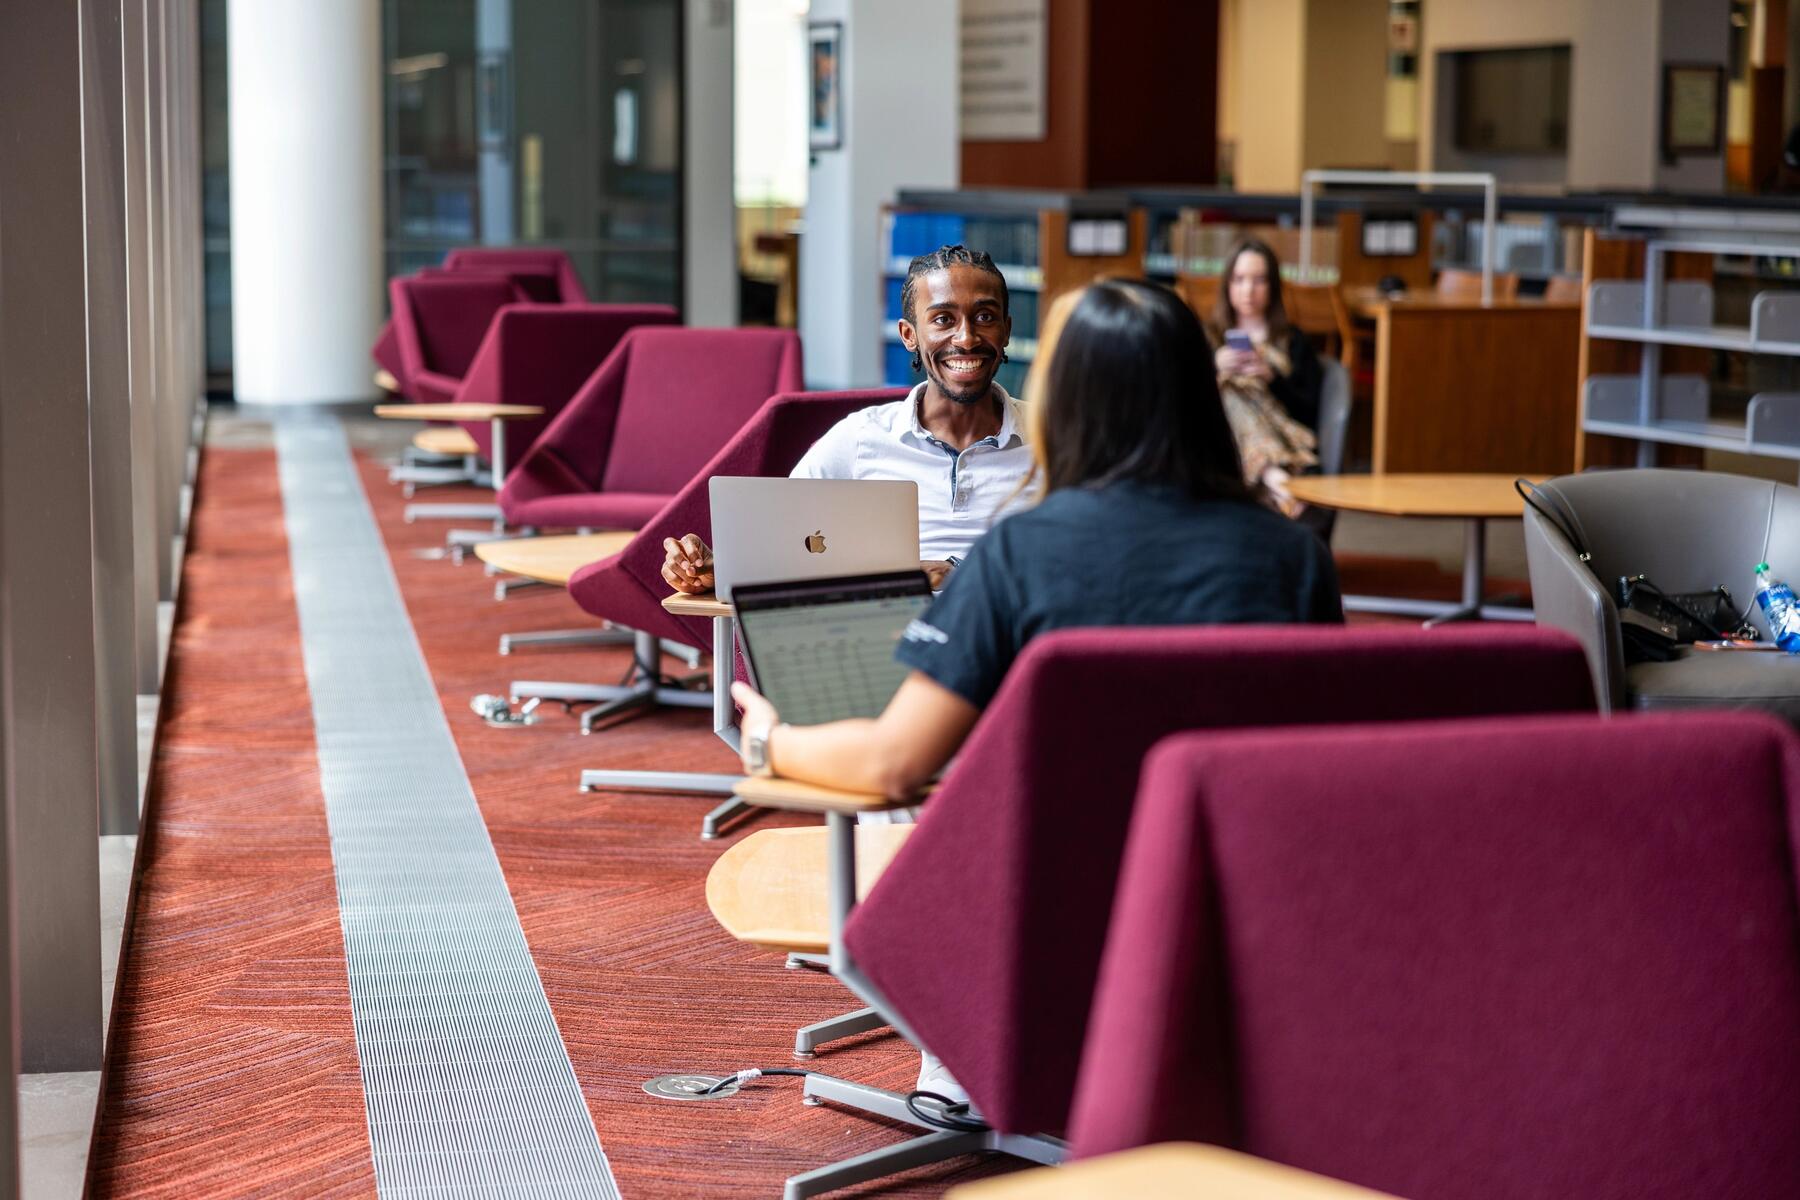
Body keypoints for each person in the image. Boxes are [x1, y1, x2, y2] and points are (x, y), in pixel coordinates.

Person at [729, 277, 1343, 801]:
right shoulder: (1296, 558)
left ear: (1066, 400)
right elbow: (1324, 752)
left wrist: (767, 739)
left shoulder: (1017, 557)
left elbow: (894, 761)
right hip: (1238, 882)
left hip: (1066, 885)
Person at [662, 245, 1034, 594]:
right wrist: (717, 566)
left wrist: (955, 573)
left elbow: (1086, 561)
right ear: (909, 335)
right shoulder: (860, 438)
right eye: (942, 319)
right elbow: (780, 543)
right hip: (883, 639)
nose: (966, 338)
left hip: (1015, 636)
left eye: (984, 317)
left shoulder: (1058, 436)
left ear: (1006, 330)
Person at [1204, 237, 1323, 514]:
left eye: (1259, 280)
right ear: (1227, 285)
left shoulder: (1292, 341)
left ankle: (1270, 480)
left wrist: (1272, 378)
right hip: (1225, 440)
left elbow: (1310, 408)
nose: (1248, 290)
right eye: (1239, 279)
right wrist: (1214, 367)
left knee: (1233, 392)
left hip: (1285, 437)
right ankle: (1274, 480)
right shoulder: (1208, 337)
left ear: (1273, 287)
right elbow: (1185, 403)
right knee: (1229, 390)